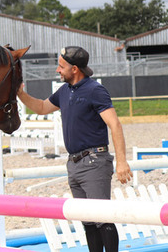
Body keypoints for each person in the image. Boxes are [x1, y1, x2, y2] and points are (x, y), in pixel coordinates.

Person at [17, 46, 132, 252]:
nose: (57, 70)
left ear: (75, 69)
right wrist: (20, 94)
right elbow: (42, 107)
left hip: (94, 161)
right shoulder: (64, 91)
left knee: (102, 219)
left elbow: (114, 124)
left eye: (61, 66)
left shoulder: (95, 90)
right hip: (74, 163)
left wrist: (122, 161)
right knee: (87, 220)